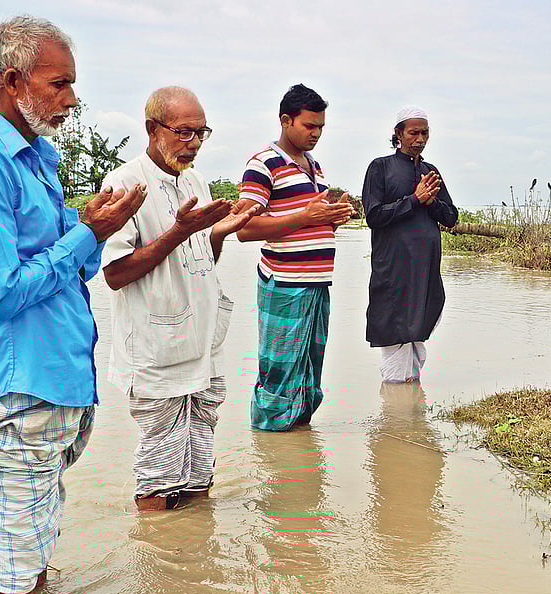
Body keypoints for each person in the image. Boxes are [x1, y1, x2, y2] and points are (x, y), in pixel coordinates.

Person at [0, 15, 145, 594]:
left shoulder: (36, 158)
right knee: (18, 568)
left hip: (51, 377)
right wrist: (88, 233)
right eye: (59, 84)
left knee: (27, 544)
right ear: (11, 81)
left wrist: (90, 231)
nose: (72, 99)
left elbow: (69, 268)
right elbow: (4, 293)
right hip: (18, 383)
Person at [102, 87, 260, 511]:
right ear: (152, 129)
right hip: (157, 350)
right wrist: (179, 231)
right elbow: (115, 274)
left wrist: (218, 233)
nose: (194, 143)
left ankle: (194, 542)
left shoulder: (195, 181)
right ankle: (157, 546)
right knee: (158, 476)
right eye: (184, 132)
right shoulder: (123, 183)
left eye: (201, 133)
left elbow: (201, 259)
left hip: (202, 345)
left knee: (199, 467)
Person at [236, 84, 355, 431]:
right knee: (279, 374)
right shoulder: (263, 164)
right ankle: (268, 446)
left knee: (308, 374)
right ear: (286, 121)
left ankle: (298, 446)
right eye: (309, 126)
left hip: (317, 285)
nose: (316, 133)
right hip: (285, 286)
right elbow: (244, 228)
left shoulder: (314, 166)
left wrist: (331, 219)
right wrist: (306, 216)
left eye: (320, 127)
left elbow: (306, 224)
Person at [361, 106, 458, 382]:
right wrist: (414, 200)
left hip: (425, 268)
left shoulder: (430, 171)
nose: (420, 139)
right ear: (398, 134)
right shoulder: (380, 167)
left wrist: (431, 202)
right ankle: (396, 399)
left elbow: (451, 217)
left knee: (419, 326)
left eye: (425, 133)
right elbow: (374, 216)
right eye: (414, 133)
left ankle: (410, 398)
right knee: (395, 328)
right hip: (393, 267)